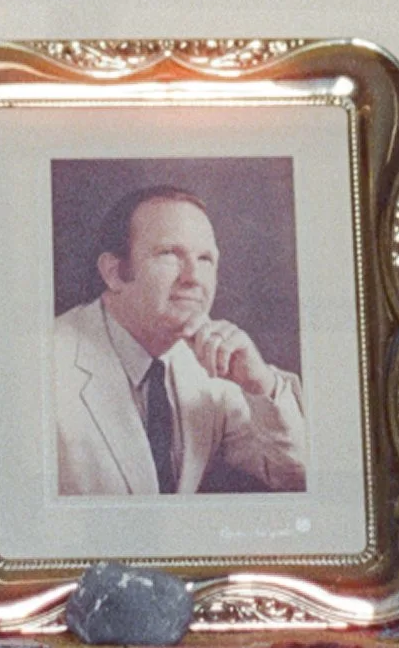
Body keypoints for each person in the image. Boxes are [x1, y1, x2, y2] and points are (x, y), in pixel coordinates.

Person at [53, 183, 308, 498]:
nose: (193, 277)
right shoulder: (41, 368)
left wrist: (262, 386)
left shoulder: (213, 358)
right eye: (170, 254)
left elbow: (294, 476)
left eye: (205, 259)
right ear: (115, 272)